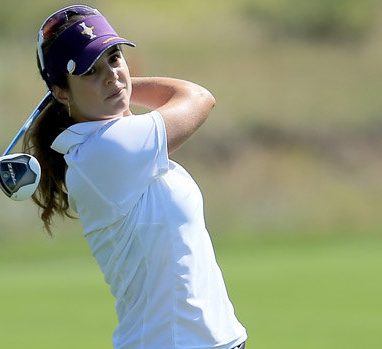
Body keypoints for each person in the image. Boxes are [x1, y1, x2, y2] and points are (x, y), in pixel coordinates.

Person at [23, 5, 248, 349]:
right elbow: (197, 98)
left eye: (114, 58)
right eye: (89, 71)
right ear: (61, 92)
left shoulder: (108, 142)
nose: (111, 74)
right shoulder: (105, 150)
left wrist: (108, 85)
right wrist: (122, 85)